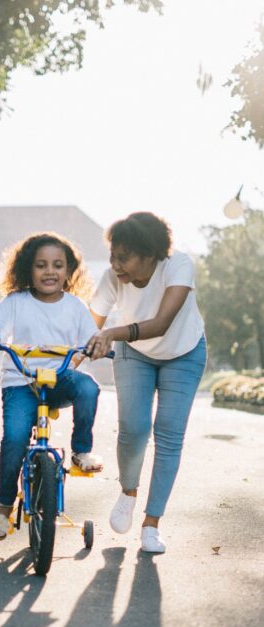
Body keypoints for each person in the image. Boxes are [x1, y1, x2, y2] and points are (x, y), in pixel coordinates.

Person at [0, 232, 103, 540]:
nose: (50, 271)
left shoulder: (75, 306)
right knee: (15, 438)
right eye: (41, 265)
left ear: (69, 271)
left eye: (58, 265)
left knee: (89, 388)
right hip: (21, 382)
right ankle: (3, 508)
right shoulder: (16, 302)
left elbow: (90, 341)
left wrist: (94, 348)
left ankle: (81, 451)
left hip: (58, 380)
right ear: (29, 269)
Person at [86, 212, 206, 554]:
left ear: (150, 254)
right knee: (134, 428)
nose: (115, 264)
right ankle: (128, 492)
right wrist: (71, 358)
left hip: (183, 352)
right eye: (113, 255)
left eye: (124, 257)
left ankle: (152, 524)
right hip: (134, 354)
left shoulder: (177, 266)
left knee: (169, 432)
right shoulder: (113, 278)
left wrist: (110, 333)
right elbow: (88, 326)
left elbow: (162, 323)